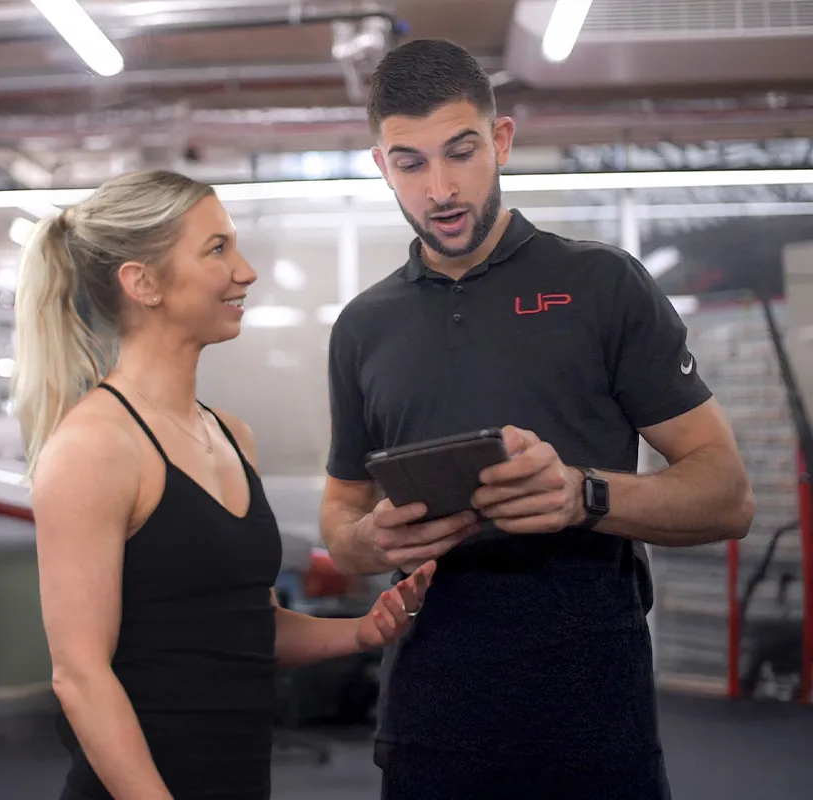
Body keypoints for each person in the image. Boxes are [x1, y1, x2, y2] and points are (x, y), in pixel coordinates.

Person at [318, 39, 756, 800]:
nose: (442, 187)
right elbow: (343, 513)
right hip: (428, 726)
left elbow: (727, 493)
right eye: (411, 162)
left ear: (502, 140)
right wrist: (362, 541)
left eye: (462, 151)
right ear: (383, 166)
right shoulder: (363, 326)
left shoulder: (602, 284)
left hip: (591, 726)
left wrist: (583, 496)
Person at [13, 169, 436, 800]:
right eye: (217, 249)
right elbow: (79, 676)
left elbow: (245, 627)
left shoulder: (232, 436)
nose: (246, 271)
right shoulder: (94, 447)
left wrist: (362, 631)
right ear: (143, 282)